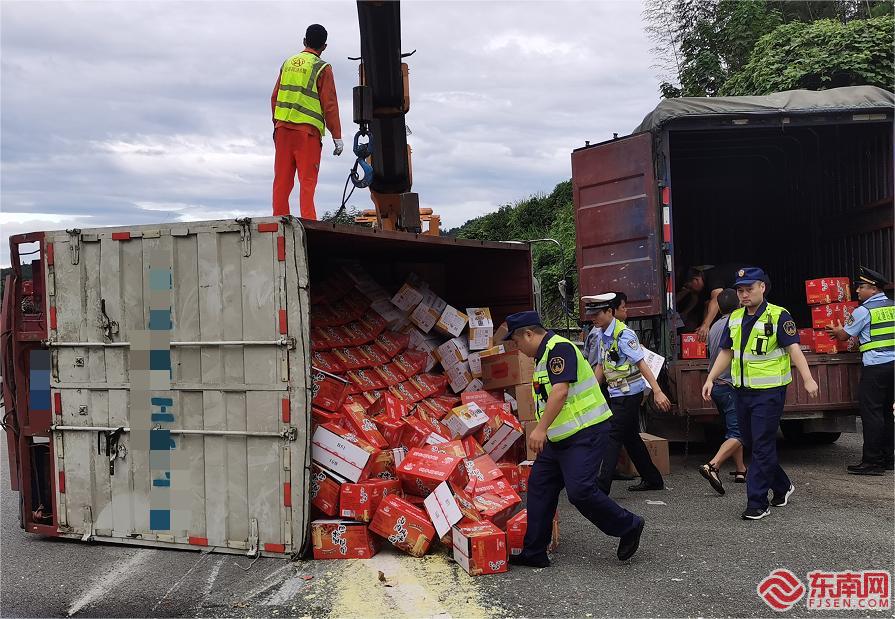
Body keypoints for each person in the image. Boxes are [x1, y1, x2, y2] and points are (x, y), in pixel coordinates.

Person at [504, 311, 645, 567]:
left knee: (580, 491)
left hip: (585, 432)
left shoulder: (559, 349)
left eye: (516, 341)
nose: (517, 348)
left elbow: (560, 392)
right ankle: (534, 551)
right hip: (560, 437)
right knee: (540, 485)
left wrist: (539, 429)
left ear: (528, 334)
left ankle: (629, 525)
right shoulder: (542, 356)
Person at [701, 267, 819, 520]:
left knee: (762, 446)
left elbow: (794, 349)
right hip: (740, 391)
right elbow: (726, 353)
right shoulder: (734, 318)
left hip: (769, 392)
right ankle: (782, 486)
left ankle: (757, 503)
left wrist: (808, 379)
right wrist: (711, 378)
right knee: (752, 442)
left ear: (762, 288)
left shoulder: (779, 316)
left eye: (749, 289)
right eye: (740, 290)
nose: (744, 295)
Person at [585, 293, 672, 495]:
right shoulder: (601, 335)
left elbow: (641, 363)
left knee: (612, 435)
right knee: (630, 437)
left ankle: (601, 487)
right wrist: (591, 393)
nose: (593, 318)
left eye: (596, 314)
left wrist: (657, 391)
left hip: (629, 394)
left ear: (609, 312)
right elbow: (600, 365)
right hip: (615, 392)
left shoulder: (625, 335)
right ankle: (652, 479)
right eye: (591, 314)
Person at [825, 266, 894, 475]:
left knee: (871, 413)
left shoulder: (864, 311)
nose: (857, 291)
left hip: (875, 367)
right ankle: (887, 458)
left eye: (861, 287)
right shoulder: (893, 306)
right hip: (893, 366)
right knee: (886, 413)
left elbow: (845, 336)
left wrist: (837, 331)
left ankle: (871, 461)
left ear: (873, 289)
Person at [271, 24, 343, 220]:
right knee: (307, 182)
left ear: (304, 41)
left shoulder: (287, 63)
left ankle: (279, 222)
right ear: (324, 46)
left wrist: (276, 126)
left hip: (283, 130)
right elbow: (329, 105)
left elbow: (275, 97)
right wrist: (337, 137)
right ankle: (309, 224)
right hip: (307, 134)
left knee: (282, 182)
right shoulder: (322, 68)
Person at [698, 288, 747, 494]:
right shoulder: (737, 325)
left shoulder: (715, 326)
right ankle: (713, 466)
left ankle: (740, 469)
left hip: (717, 385)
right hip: (729, 385)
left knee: (732, 429)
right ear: (739, 305)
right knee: (740, 432)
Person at [678, 263, 748, 341]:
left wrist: (705, 325)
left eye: (690, 287)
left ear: (696, 279)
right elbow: (705, 304)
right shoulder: (702, 288)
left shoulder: (713, 277)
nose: (691, 290)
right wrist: (703, 326)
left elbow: (716, 300)